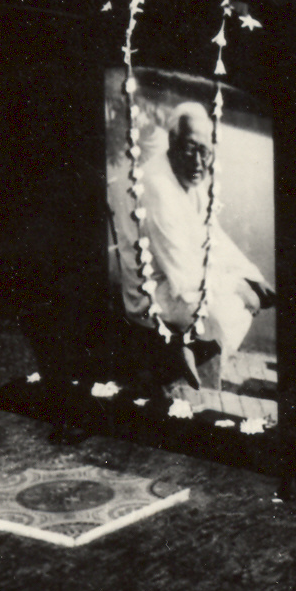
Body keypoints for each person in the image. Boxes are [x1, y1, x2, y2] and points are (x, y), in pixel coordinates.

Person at [116, 101, 274, 389]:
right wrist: (238, 287)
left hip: (177, 276)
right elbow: (184, 276)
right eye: (190, 148)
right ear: (172, 141)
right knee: (229, 309)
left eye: (206, 152)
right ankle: (186, 350)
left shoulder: (189, 176)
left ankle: (190, 346)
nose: (199, 162)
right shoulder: (156, 186)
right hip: (152, 294)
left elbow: (212, 235)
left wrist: (252, 275)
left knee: (246, 299)